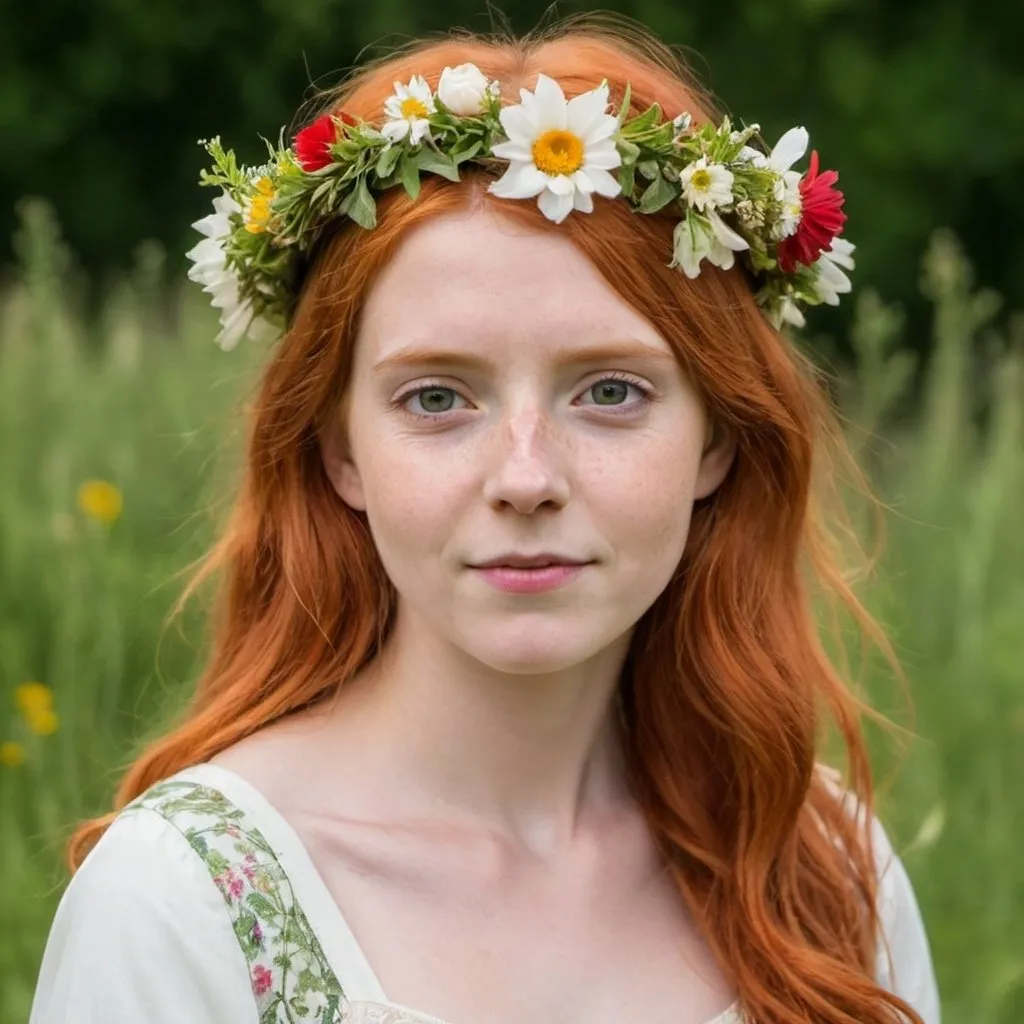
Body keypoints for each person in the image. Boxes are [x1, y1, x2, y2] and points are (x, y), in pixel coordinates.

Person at [28, 14, 941, 1024]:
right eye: (435, 398)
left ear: (718, 438)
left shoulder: (818, 871)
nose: (526, 476)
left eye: (608, 392)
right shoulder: (183, 903)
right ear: (339, 451)